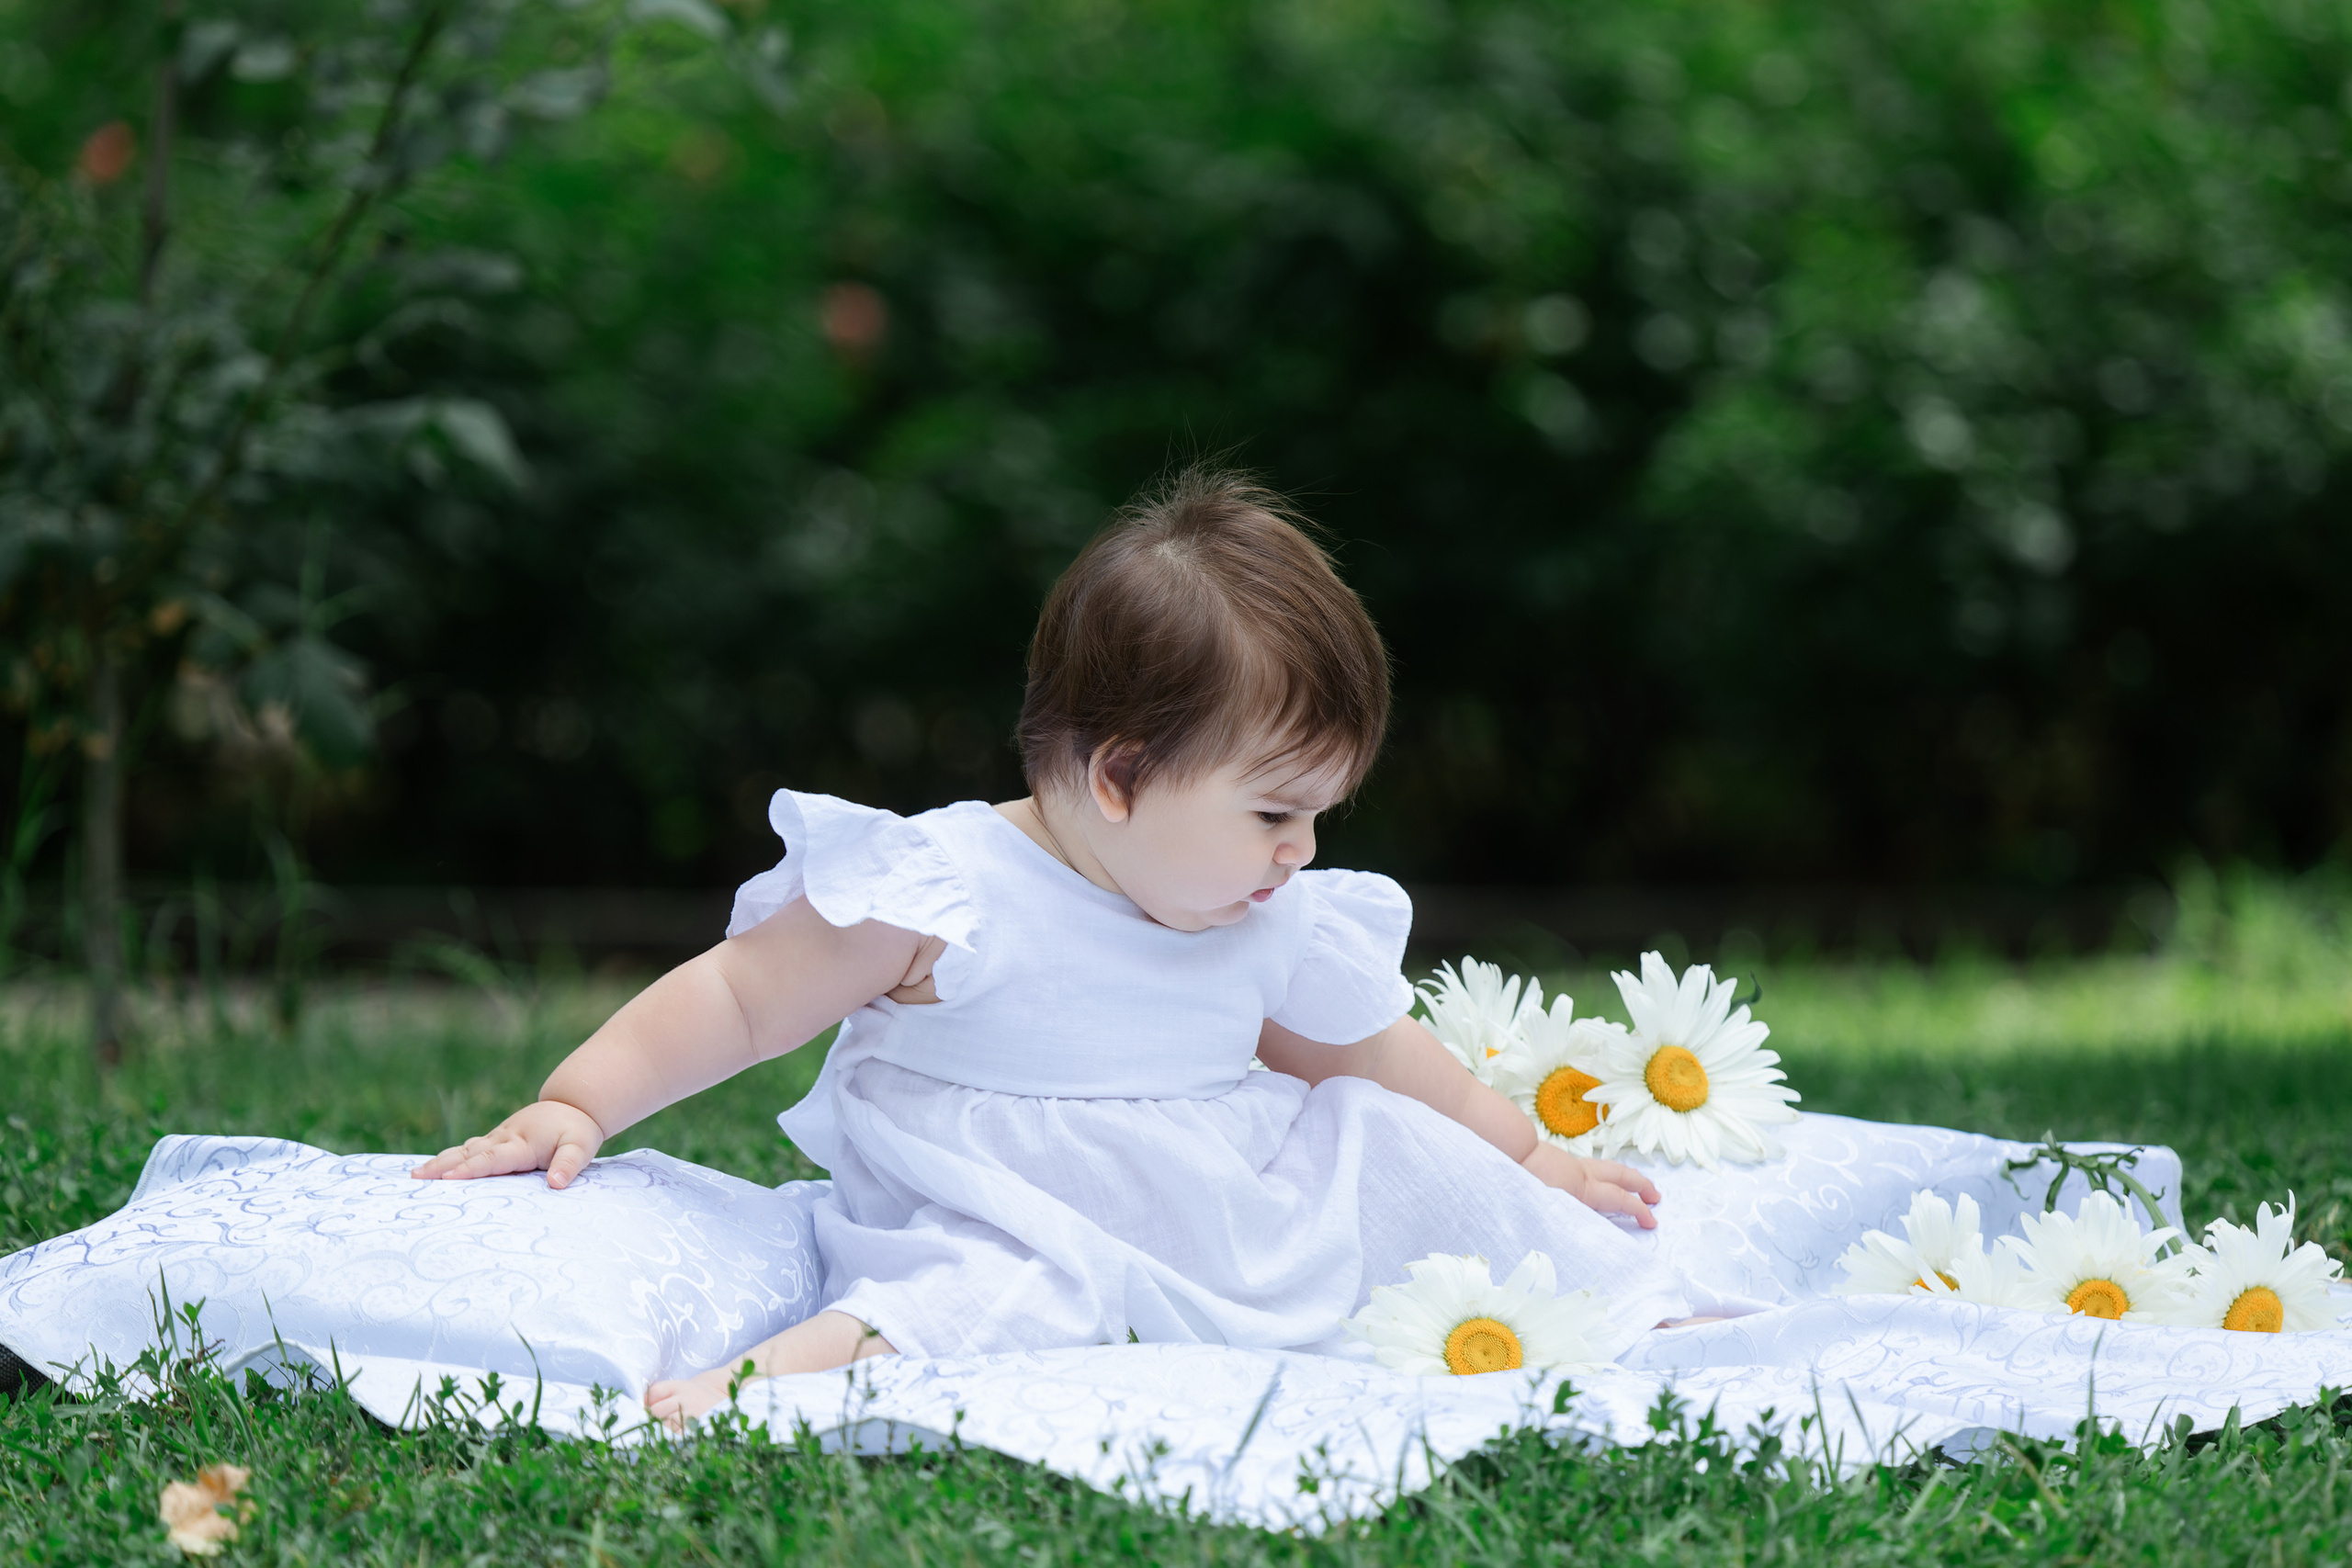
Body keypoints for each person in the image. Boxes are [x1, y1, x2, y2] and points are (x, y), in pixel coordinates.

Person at [413, 467, 1691, 1423]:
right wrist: (579, 1098)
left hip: (1213, 1204)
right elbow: (747, 1001)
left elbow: (1372, 1055)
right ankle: (762, 1386)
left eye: (1317, 816)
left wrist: (1520, 1154)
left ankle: (1618, 1305)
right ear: (1122, 777)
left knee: (1392, 1154)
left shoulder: (1258, 905)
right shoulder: (952, 889)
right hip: (1002, 1211)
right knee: (1003, 1296)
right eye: (1273, 813)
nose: (1300, 851)